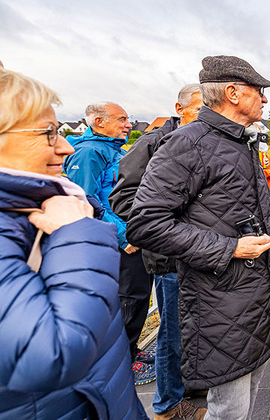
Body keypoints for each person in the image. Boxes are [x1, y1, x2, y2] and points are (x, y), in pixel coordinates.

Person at [127, 56, 270, 420]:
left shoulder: (238, 140)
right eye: (258, 91)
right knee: (230, 408)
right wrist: (229, 247)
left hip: (252, 296)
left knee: (247, 396)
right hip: (222, 299)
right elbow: (146, 223)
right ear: (232, 93)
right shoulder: (188, 143)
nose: (265, 100)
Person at [0, 69, 146, 419]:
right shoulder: (59, 216)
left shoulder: (37, 205)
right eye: (48, 133)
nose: (65, 146)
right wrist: (80, 232)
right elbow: (51, 354)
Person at [109, 84, 205, 420]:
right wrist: (171, 224)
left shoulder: (203, 141)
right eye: (198, 109)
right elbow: (122, 200)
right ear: (179, 108)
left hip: (201, 253)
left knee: (195, 326)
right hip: (169, 257)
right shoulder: (151, 144)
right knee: (173, 331)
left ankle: (191, 390)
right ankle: (167, 405)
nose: (204, 116)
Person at [61, 101, 155, 382]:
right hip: (120, 242)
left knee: (137, 297)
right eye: (121, 119)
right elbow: (84, 200)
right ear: (98, 123)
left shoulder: (112, 149)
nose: (128, 124)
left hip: (130, 235)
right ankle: (123, 363)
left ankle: (132, 351)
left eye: (128, 119)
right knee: (128, 299)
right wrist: (122, 236)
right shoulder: (89, 153)